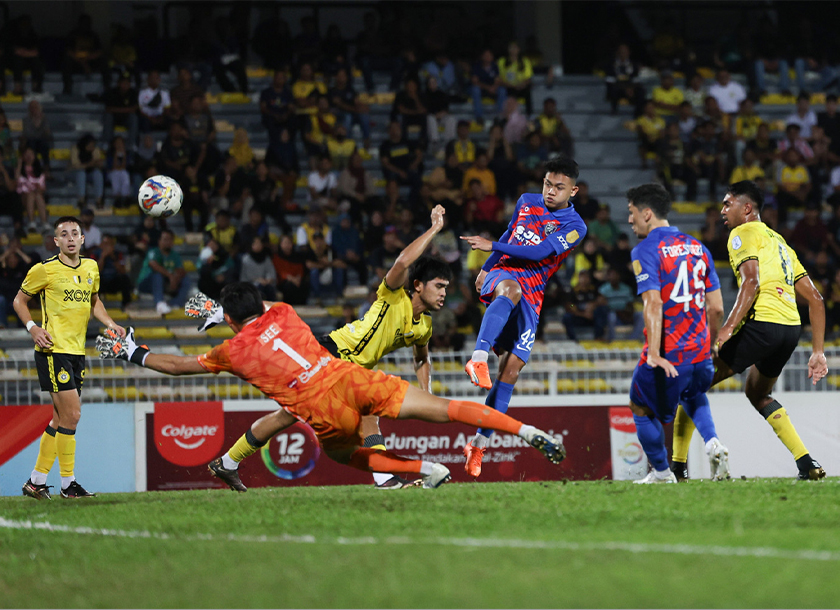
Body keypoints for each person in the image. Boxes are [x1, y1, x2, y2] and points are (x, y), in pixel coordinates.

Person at [98, 282, 565, 492]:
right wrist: (221, 311)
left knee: (343, 452)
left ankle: (420, 468)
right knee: (446, 407)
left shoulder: (230, 352)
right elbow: (255, 313)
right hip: (348, 372)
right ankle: (523, 430)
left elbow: (179, 366)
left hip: (320, 404)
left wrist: (131, 352)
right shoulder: (281, 309)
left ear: (233, 318)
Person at [190, 209, 458, 490]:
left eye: (446, 288)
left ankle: (227, 463)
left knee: (288, 415)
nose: (443, 293)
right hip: (333, 352)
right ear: (417, 285)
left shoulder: (424, 326)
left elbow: (421, 358)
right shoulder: (393, 295)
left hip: (348, 367)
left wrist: (426, 392)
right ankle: (385, 479)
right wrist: (435, 229)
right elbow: (403, 260)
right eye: (439, 286)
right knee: (366, 409)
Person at [670, 181, 828, 482]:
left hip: (761, 324)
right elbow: (816, 300)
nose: (722, 211)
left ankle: (676, 468)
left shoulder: (741, 232)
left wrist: (726, 328)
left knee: (692, 384)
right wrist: (817, 352)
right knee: (758, 393)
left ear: (746, 208)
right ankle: (806, 462)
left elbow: (751, 283)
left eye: (727, 204)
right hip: (789, 330)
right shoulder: (780, 242)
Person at [459, 156, 588, 477]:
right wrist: (488, 267)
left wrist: (490, 246)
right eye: (547, 183)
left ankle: (477, 445)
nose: (550, 191)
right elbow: (511, 233)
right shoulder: (526, 202)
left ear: (572, 191)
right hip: (505, 274)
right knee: (509, 291)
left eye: (559, 187)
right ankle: (477, 357)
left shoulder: (576, 226)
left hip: (534, 292)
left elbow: (541, 252)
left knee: (511, 372)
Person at [15, 216, 126, 500]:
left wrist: (110, 323)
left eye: (75, 233)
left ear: (83, 238)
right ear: (56, 241)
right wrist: (33, 328)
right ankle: (68, 484)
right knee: (73, 415)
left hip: (77, 352)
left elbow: (94, 301)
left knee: (59, 418)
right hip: (54, 350)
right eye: (64, 234)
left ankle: (36, 482)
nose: (70, 238)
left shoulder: (91, 267)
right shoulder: (45, 270)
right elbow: (19, 301)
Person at [624, 183, 729, 484]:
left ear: (647, 214)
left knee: (639, 405)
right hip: (700, 353)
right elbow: (717, 308)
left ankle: (661, 472)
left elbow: (653, 302)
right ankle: (713, 444)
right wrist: (709, 345)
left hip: (670, 354)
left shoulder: (645, 250)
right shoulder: (699, 247)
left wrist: (655, 353)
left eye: (632, 213)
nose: (629, 220)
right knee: (694, 395)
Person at [136, 228, 191, 315]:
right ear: (159, 241)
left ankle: (176, 303)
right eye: (165, 239)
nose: (167, 242)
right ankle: (160, 303)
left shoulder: (175, 255)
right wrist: (170, 276)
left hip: (165, 283)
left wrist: (176, 278)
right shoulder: (153, 252)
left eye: (170, 240)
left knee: (186, 280)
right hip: (146, 284)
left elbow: (181, 270)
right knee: (157, 275)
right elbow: (153, 265)